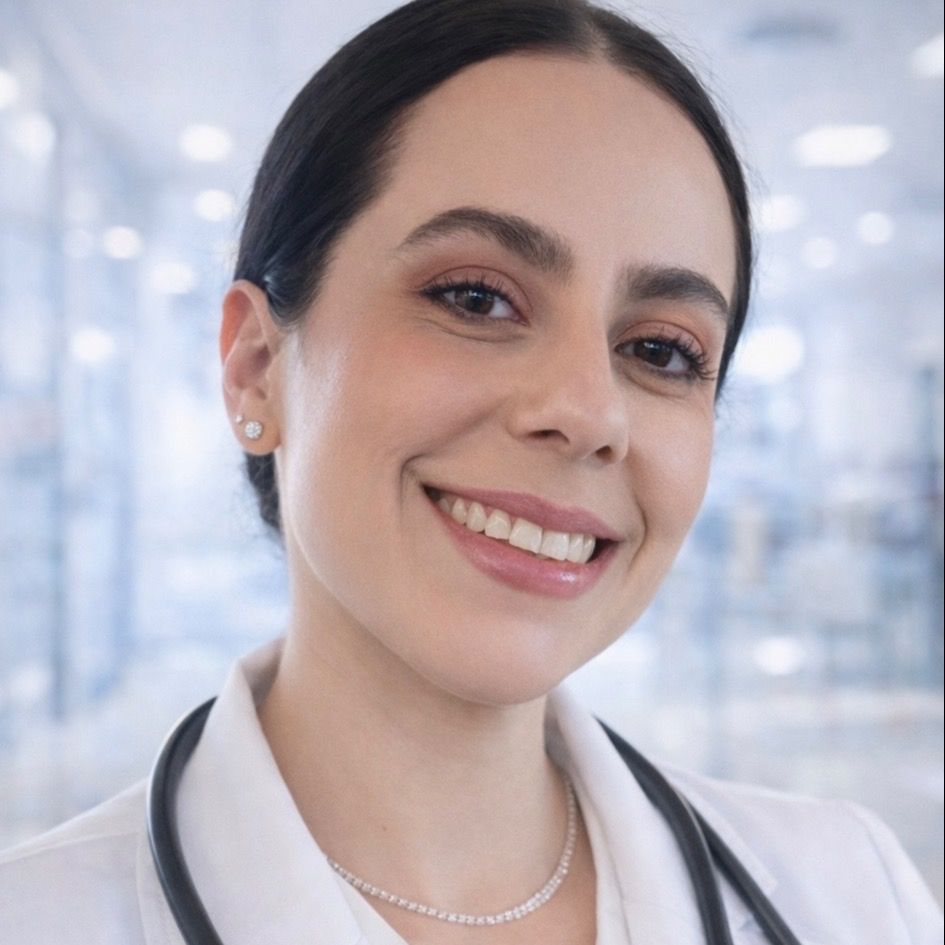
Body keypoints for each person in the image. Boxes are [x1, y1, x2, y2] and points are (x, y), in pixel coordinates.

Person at [1, 0, 941, 942]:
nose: (587, 413)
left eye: (659, 351)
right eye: (476, 299)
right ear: (256, 366)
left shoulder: (854, 895)